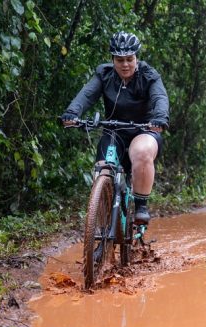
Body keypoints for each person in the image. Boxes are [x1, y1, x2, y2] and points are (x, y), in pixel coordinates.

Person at [61, 31, 169, 225]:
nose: (125, 64)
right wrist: (72, 113)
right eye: (120, 60)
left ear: (136, 57)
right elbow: (86, 95)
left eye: (129, 59)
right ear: (113, 60)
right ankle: (102, 225)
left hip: (144, 129)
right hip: (114, 130)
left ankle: (141, 206)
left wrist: (160, 118)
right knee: (102, 170)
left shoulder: (149, 75)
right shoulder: (104, 74)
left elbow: (159, 98)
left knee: (141, 151)